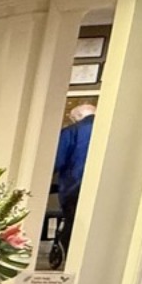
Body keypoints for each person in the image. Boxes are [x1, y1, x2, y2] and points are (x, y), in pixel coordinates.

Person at [50, 104, 94, 269]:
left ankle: (73, 264)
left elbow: (58, 161)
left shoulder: (72, 132)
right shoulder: (110, 130)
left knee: (74, 223)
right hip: (104, 190)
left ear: (77, 116)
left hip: (74, 186)